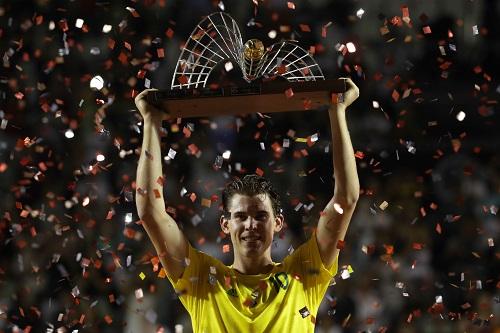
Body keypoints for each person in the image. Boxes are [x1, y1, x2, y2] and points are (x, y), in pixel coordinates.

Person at [134, 78, 360, 332]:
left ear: (278, 223)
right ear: (225, 224)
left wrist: (337, 111)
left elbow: (346, 199)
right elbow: (150, 213)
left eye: (261, 216)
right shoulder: (203, 279)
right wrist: (151, 122)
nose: (250, 225)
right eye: (240, 216)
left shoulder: (304, 274)